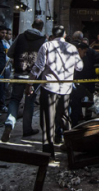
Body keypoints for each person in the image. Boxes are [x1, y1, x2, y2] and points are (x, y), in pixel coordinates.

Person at [26, 25, 85, 159]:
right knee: (64, 118)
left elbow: (38, 67)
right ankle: (70, 149)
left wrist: (29, 83)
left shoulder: (46, 46)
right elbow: (80, 67)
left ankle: (48, 154)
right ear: (64, 35)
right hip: (65, 89)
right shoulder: (72, 48)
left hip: (49, 89)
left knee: (48, 120)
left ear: (52, 35)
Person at [1, 19, 46, 142]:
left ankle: (9, 124)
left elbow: (10, 53)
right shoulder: (43, 40)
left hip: (19, 74)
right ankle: (27, 129)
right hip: (33, 77)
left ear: (32, 26)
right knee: (29, 102)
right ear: (41, 27)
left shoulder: (20, 37)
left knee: (14, 100)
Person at [70, 30, 99, 127]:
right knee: (89, 101)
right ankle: (87, 118)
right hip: (87, 81)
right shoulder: (89, 50)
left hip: (71, 81)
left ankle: (75, 120)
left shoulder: (67, 48)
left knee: (73, 103)